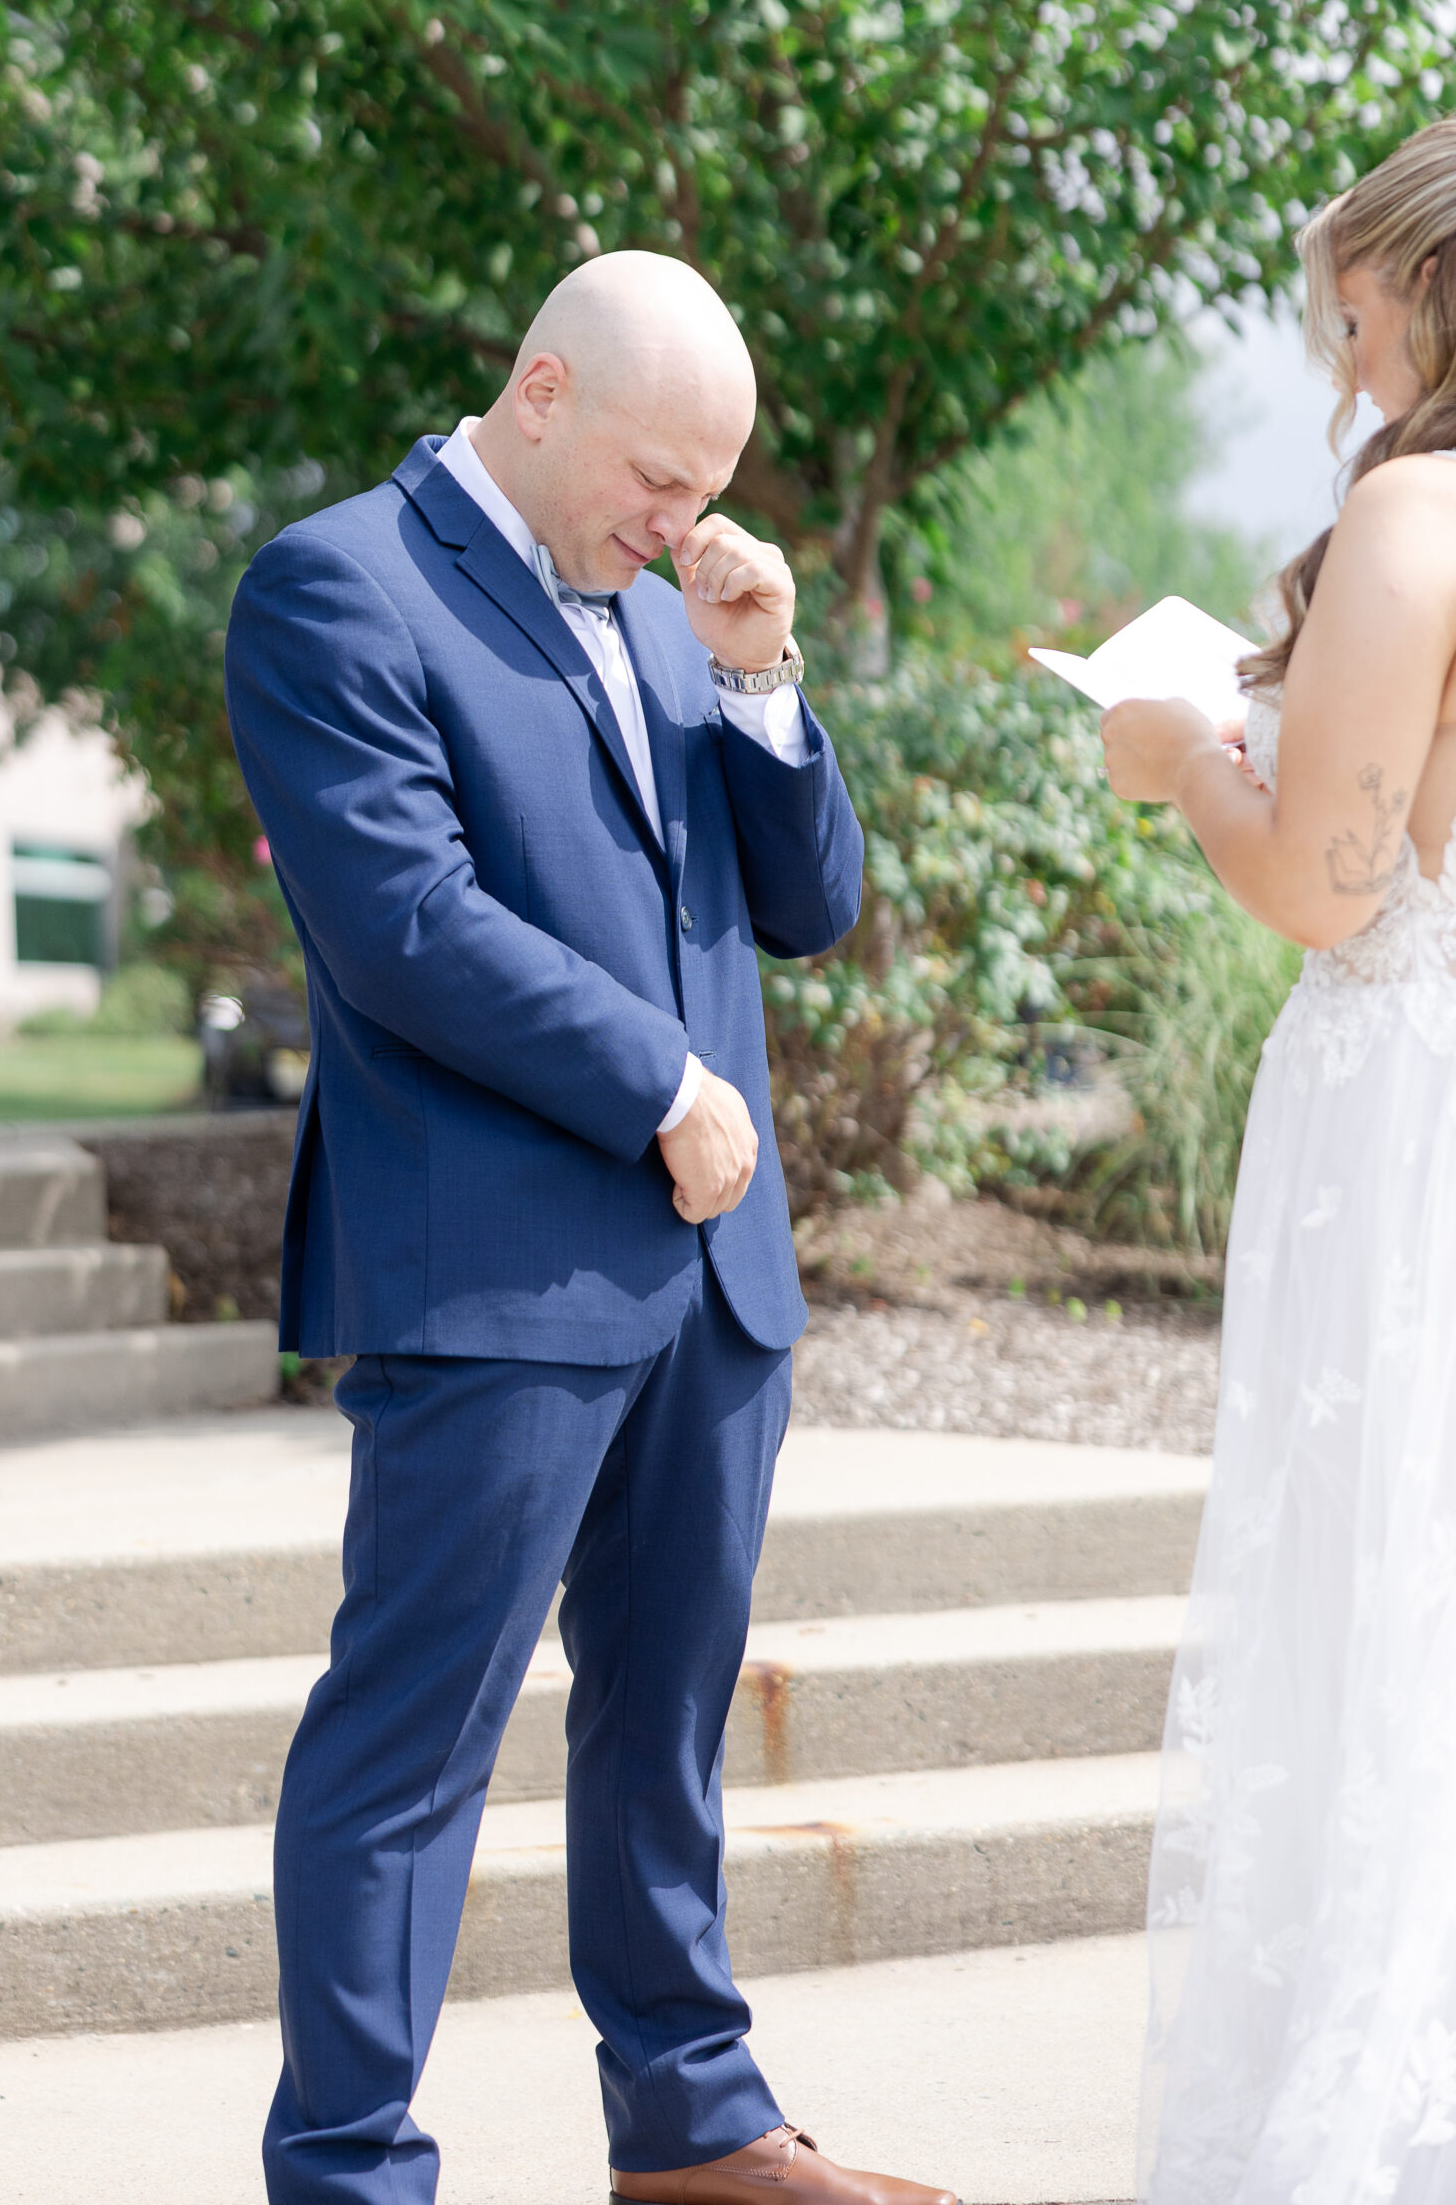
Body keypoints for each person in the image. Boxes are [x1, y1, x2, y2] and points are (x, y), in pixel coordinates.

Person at [226, 252, 957, 2205]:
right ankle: (350, 2165)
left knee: (666, 1727)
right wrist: (657, 1080)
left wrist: (756, 670)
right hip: (494, 1274)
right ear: (538, 389)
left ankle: (691, 2117)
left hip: (713, 1283)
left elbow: (800, 905)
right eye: (657, 472)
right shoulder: (336, 584)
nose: (680, 517)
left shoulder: (661, 604)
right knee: (408, 1752)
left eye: (706, 481)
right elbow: (400, 924)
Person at [1101, 117, 1456, 2204]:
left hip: (1405, 1116)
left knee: (1377, 1606)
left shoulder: (1417, 511)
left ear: (1424, 286)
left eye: (1343, 312)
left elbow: (1327, 886)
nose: (1333, 366)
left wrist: (1173, 765)